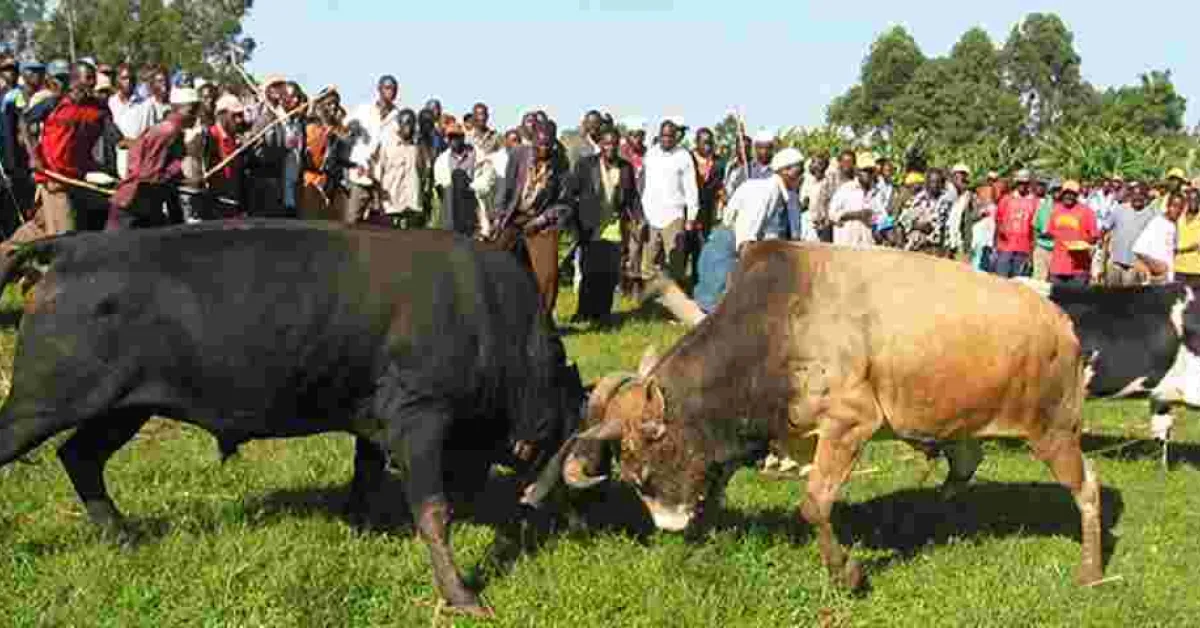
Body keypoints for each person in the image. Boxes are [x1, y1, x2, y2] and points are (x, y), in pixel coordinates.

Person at [561, 125, 639, 323]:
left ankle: (603, 312)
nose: (610, 148)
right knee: (589, 270)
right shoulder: (585, 165)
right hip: (590, 225)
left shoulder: (625, 167)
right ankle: (584, 312)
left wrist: (638, 219)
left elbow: (632, 198)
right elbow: (571, 193)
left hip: (614, 225)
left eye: (614, 144)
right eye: (606, 144)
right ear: (600, 145)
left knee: (609, 272)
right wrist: (573, 222)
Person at [494, 127, 569, 321]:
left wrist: (541, 220)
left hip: (542, 220)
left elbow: (564, 202)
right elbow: (506, 187)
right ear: (532, 142)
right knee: (495, 262)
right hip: (514, 217)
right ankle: (499, 315)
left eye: (548, 144)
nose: (544, 148)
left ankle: (542, 321)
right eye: (540, 144)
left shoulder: (560, 163)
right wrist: (498, 216)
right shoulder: (518, 154)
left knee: (548, 275)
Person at [30, 61, 107, 235]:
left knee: (38, 229)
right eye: (88, 78)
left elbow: (114, 136)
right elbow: (23, 122)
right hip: (53, 178)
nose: (92, 83)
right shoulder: (55, 103)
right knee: (66, 234)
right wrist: (34, 156)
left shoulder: (99, 108)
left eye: (93, 78)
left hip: (78, 178)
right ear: (74, 80)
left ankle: (7, 250)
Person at [106, 87, 199, 230]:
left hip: (148, 206)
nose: (195, 116)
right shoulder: (166, 132)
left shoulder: (175, 134)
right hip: (133, 205)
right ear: (176, 109)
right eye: (191, 111)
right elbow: (148, 176)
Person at [639, 119, 699, 286]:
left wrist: (691, 217)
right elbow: (643, 183)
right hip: (650, 215)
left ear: (675, 137)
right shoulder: (651, 154)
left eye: (670, 136)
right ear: (659, 135)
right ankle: (651, 297)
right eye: (663, 136)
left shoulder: (683, 156)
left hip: (673, 217)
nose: (666, 139)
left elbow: (691, 188)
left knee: (675, 263)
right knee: (648, 263)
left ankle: (675, 297)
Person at [345, 75, 400, 222]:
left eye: (394, 89)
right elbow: (346, 129)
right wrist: (352, 127)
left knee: (379, 226)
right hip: (361, 174)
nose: (391, 92)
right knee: (352, 220)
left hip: (383, 180)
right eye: (387, 88)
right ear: (379, 89)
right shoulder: (364, 110)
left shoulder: (397, 117)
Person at [368, 107, 428, 228]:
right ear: (399, 124)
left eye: (412, 124)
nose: (409, 128)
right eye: (406, 123)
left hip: (412, 207)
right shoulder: (387, 145)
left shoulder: (418, 147)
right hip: (391, 207)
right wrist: (377, 201)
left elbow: (424, 173)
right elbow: (377, 174)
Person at [298, 89, 351, 222]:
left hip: (335, 185)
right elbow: (307, 158)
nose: (333, 107)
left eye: (336, 104)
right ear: (320, 105)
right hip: (312, 182)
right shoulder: (310, 127)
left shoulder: (340, 131)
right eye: (329, 103)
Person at [1046, 180, 1099, 288]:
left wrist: (1082, 243)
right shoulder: (1056, 211)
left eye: (1073, 194)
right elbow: (1051, 232)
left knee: (1076, 297)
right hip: (1058, 266)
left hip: (1078, 267)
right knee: (1056, 297)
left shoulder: (1087, 212)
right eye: (1066, 193)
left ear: (1077, 195)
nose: (1069, 196)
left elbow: (1094, 237)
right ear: (1062, 194)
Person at [1103, 182, 1155, 286]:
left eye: (1141, 195)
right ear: (1130, 195)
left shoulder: (1152, 214)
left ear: (1146, 197)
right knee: (1111, 293)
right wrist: (1103, 248)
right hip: (1115, 262)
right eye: (1135, 194)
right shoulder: (1120, 209)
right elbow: (1105, 228)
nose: (1137, 198)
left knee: (1130, 294)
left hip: (1135, 266)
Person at [432, 121, 478, 235]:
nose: (454, 140)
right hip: (451, 203)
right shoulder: (442, 160)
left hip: (471, 200)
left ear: (463, 138)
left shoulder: (474, 154)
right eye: (451, 137)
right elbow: (440, 186)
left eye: (457, 137)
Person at [207, 93, 249, 218]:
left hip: (233, 200)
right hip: (217, 202)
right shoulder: (211, 136)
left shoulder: (234, 138)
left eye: (240, 115)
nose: (239, 120)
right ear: (222, 115)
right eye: (234, 115)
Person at [992, 169, 1039, 277]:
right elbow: (998, 220)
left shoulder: (1034, 202)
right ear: (1016, 183)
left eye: (1025, 183)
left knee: (1018, 282)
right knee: (1001, 279)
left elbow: (1035, 228)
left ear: (1029, 184)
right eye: (1020, 182)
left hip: (1024, 248)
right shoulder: (1006, 199)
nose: (1022, 185)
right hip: (1005, 247)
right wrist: (995, 244)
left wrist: (1032, 252)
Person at [829, 152, 880, 249]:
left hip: (866, 246)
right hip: (846, 245)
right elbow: (832, 214)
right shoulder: (846, 189)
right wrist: (857, 215)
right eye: (865, 170)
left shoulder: (876, 192)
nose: (868, 174)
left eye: (871, 171)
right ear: (857, 171)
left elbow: (879, 217)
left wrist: (873, 218)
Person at [1134, 192, 1186, 286]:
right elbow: (1138, 250)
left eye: (1180, 207)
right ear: (1167, 206)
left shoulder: (1174, 225)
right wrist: (1158, 267)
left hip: (1168, 281)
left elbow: (1172, 251)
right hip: (1156, 282)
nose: (1177, 210)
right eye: (1174, 206)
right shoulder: (1157, 223)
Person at [1173, 190, 1200, 288]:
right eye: (1190, 199)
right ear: (1186, 201)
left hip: (1196, 269)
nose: (1193, 202)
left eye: (1196, 199)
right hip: (1178, 267)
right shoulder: (1179, 216)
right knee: (1178, 296)